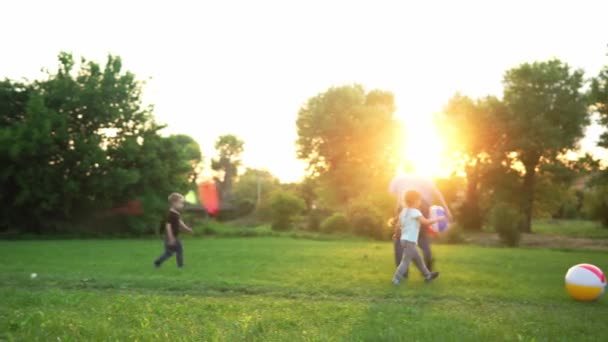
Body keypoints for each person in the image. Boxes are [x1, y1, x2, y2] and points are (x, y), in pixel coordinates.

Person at [389, 172, 452, 276]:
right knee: (422, 237)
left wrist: (397, 211)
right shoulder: (425, 177)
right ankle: (427, 267)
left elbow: (393, 194)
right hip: (421, 205)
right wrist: (446, 210)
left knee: (400, 239)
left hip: (404, 205)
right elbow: (437, 192)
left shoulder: (399, 177)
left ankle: (406, 274)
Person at [392, 190, 446, 284]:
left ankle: (428, 275)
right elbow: (426, 222)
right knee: (406, 261)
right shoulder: (415, 212)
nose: (420, 202)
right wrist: (438, 219)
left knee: (418, 259)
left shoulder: (404, 211)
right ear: (416, 201)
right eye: (419, 200)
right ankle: (396, 278)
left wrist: (396, 235)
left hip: (404, 240)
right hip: (410, 241)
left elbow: (398, 225)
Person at [154, 193, 193, 268]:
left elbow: (180, 222)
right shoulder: (170, 214)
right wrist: (171, 238)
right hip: (171, 237)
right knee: (173, 252)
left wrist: (187, 229)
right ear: (174, 203)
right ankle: (180, 265)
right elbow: (168, 226)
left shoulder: (176, 214)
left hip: (175, 237)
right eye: (180, 203)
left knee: (173, 251)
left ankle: (158, 262)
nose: (182, 205)